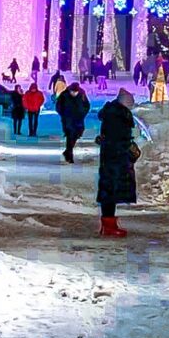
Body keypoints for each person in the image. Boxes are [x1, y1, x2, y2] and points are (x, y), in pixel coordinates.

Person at [96, 89, 138, 238]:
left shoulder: (112, 114)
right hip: (115, 160)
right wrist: (127, 149)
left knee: (110, 191)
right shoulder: (117, 117)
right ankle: (108, 226)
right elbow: (118, 139)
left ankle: (109, 224)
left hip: (112, 159)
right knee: (110, 191)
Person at [56, 83, 90, 163]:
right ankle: (69, 156)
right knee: (70, 136)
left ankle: (67, 151)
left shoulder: (82, 94)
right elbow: (58, 106)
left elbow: (87, 105)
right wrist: (63, 114)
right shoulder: (64, 95)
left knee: (77, 134)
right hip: (68, 119)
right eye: (72, 91)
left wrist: (83, 113)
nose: (73, 93)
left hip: (79, 118)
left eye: (75, 92)